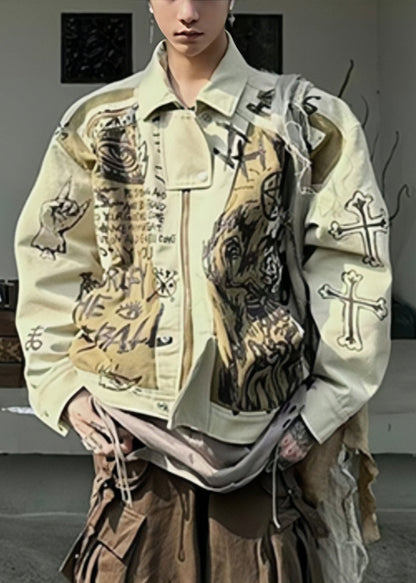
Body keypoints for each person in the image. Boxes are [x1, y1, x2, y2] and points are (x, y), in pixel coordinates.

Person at [15, 1, 392, 581]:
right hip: (131, 437)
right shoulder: (97, 122)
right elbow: (53, 257)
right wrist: (64, 388)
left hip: (263, 439)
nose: (188, 12)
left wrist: (322, 409)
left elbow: (354, 266)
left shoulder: (305, 121)